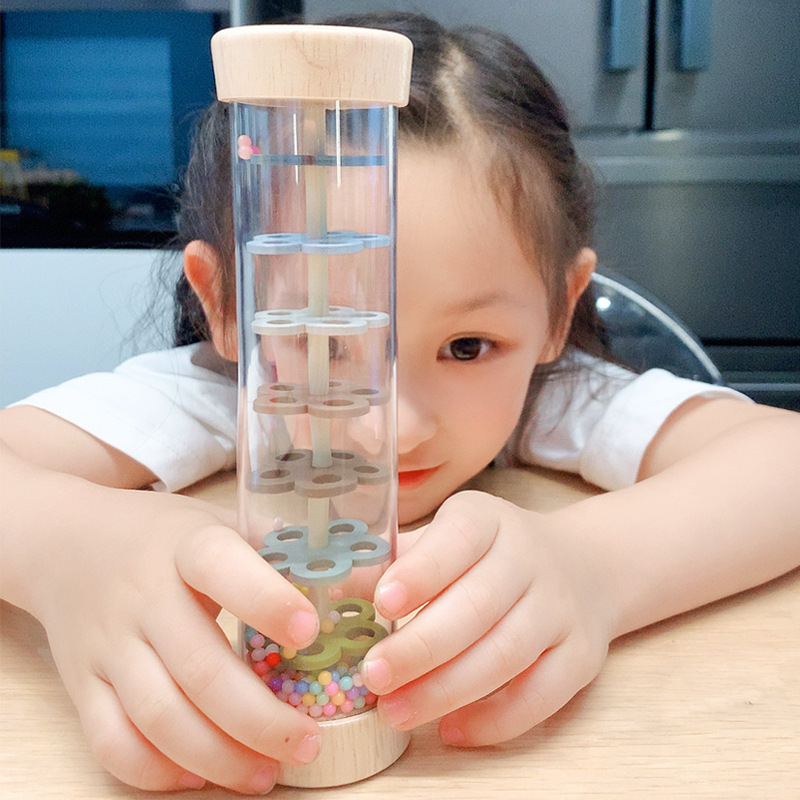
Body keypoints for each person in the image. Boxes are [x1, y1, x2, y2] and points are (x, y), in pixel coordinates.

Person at [2, 11, 799, 796]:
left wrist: (595, 570)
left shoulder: (557, 403)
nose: (401, 426)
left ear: (559, 312)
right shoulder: (209, 398)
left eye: (466, 348)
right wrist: (68, 553)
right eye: (327, 347)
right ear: (228, 308)